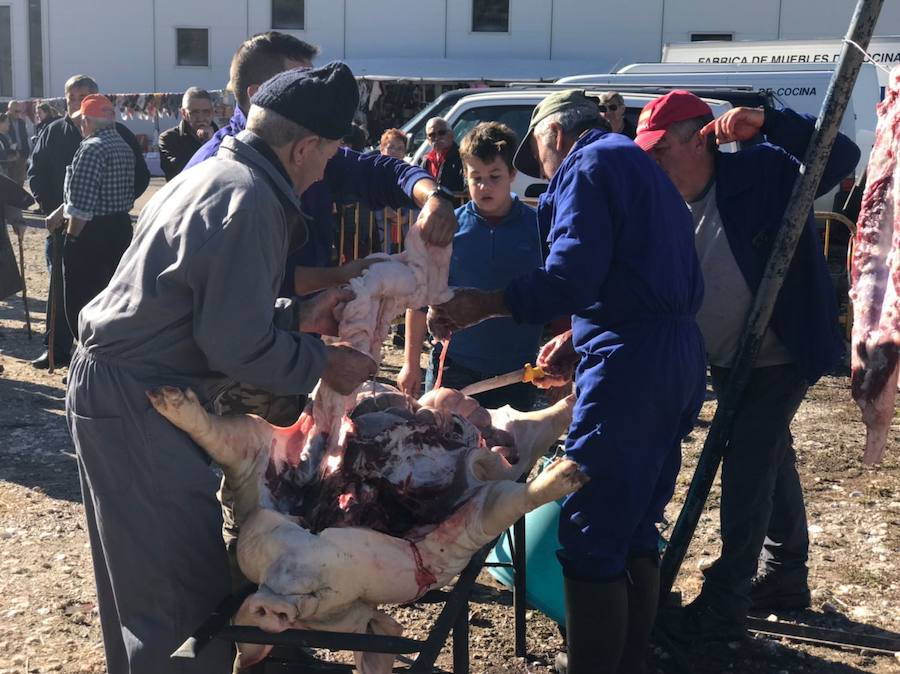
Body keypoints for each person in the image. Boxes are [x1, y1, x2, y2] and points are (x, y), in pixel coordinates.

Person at [66, 62, 378, 674]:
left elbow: (205, 303)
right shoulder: (250, 197)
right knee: (178, 602)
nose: (326, 170)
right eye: (330, 155)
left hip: (127, 386)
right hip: (139, 396)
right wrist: (322, 362)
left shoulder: (218, 172)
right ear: (304, 145)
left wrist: (298, 313)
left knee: (149, 590)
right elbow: (233, 344)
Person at [427, 90, 707, 673]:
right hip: (672, 355)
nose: (544, 172)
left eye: (539, 158)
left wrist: (485, 304)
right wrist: (582, 335)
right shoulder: (638, 166)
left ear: (553, 136)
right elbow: (634, 276)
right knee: (633, 524)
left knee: (590, 525)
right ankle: (627, 663)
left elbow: (570, 274)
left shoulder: (589, 163)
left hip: (634, 365)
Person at [635, 91, 859, 642]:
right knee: (770, 454)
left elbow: (840, 156)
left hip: (783, 350)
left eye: (661, 150)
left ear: (700, 139)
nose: (653, 163)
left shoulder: (758, 170)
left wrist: (769, 122)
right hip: (727, 358)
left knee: (748, 462)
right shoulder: (659, 205)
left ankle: (727, 599)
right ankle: (785, 575)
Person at [186, 31, 457, 422]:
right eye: (303, 82)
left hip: (288, 340)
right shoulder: (232, 180)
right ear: (263, 92)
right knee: (248, 467)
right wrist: (334, 280)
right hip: (231, 369)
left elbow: (374, 170)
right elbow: (231, 313)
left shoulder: (302, 146)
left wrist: (433, 195)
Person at [398, 122, 543, 411]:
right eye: (476, 177)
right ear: (465, 176)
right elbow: (418, 300)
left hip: (516, 371)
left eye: (494, 176)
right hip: (455, 367)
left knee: (506, 454)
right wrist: (410, 364)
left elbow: (560, 291)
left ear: (512, 174)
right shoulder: (446, 227)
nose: (484, 186)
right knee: (442, 450)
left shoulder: (538, 227)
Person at [27, 74, 150, 370]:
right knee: (60, 288)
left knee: (91, 292)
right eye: (73, 99)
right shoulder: (54, 131)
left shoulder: (109, 137)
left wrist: (104, 206)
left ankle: (92, 359)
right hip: (66, 223)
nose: (78, 106)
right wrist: (51, 209)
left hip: (84, 228)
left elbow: (140, 177)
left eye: (84, 99)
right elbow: (36, 173)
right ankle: (57, 349)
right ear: (66, 101)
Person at [43, 94, 135, 336]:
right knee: (112, 297)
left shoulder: (92, 148)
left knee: (82, 300)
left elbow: (82, 206)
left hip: (92, 234)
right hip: (120, 229)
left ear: (87, 121)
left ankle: (86, 355)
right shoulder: (123, 146)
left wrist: (71, 240)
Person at [157, 87, 219, 181]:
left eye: (206, 112)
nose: (201, 118)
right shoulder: (169, 139)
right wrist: (209, 145)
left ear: (212, 112)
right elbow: (179, 173)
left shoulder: (224, 137)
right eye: (194, 112)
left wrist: (213, 141)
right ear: (184, 113)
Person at [419, 116, 465, 193]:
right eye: (432, 135)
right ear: (428, 139)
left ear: (451, 134)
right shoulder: (426, 161)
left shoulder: (463, 157)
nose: (437, 138)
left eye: (441, 133)